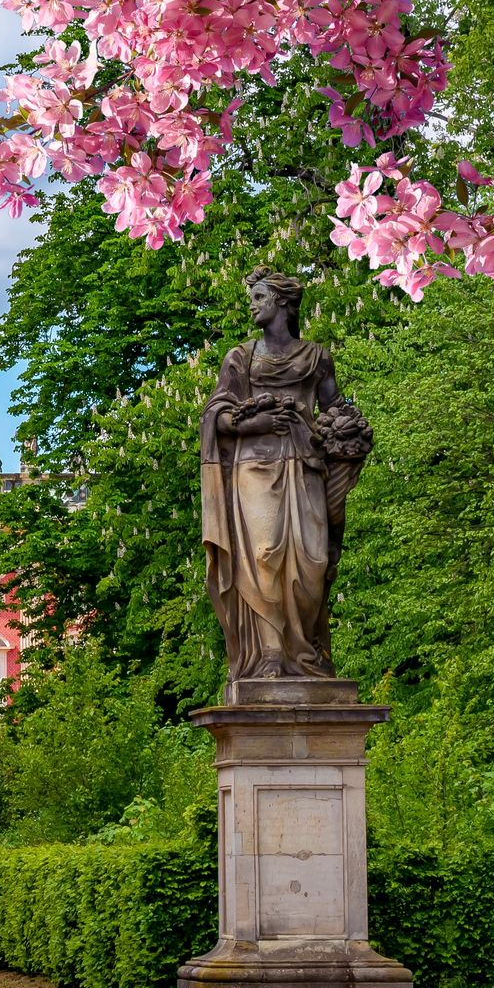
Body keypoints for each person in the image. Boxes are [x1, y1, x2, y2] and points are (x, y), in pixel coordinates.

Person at [201, 268, 370, 682]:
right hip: (254, 467)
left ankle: (304, 653)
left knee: (312, 561)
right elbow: (216, 415)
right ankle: (270, 655)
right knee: (263, 557)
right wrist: (251, 424)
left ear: (282, 302)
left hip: (305, 463)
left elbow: (334, 409)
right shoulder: (240, 358)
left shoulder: (316, 357)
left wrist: (351, 431)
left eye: (259, 298)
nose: (252, 306)